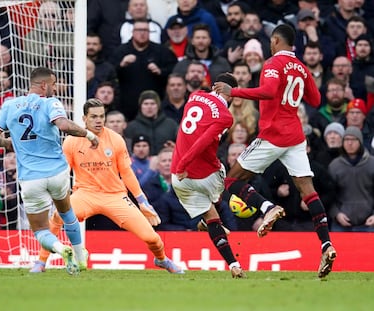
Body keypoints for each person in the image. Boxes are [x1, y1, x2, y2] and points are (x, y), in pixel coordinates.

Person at [213, 24, 336, 278]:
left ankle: (267, 207)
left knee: (231, 180)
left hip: (273, 135)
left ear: (276, 40)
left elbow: (268, 92)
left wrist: (234, 91)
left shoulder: (272, 64)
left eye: (271, 41)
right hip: (295, 136)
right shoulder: (301, 67)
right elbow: (315, 101)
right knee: (308, 192)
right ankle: (326, 244)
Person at [31, 98, 184, 274]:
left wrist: (142, 200)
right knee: (58, 216)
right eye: (94, 117)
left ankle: (161, 259)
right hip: (85, 194)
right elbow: (64, 172)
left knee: (152, 238)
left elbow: (126, 172)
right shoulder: (72, 142)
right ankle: (41, 262)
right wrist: (57, 196)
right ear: (84, 119)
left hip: (115, 196)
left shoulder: (116, 139)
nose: (98, 120)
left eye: (101, 116)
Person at [0, 67, 99, 275]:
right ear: (44, 85)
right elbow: (64, 125)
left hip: (30, 178)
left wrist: (11, 144)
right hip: (57, 172)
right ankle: (79, 255)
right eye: (54, 84)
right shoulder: (50, 103)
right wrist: (89, 135)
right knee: (66, 212)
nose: (55, 89)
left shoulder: (9, 105)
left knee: (40, 229)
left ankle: (58, 248)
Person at [171, 72, 246, 279]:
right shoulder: (225, 116)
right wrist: (186, 163)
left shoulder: (194, 96)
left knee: (212, 218)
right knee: (229, 178)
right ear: (230, 95)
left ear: (214, 86)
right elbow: (202, 141)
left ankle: (234, 265)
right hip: (201, 172)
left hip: (177, 177)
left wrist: (180, 165)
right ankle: (265, 206)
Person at [328, 126, 374, 232]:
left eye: (353, 139)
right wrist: (336, 214)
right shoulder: (334, 165)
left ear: (360, 142)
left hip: (369, 223)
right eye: (346, 139)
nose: (349, 143)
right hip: (341, 223)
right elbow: (329, 195)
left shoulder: (372, 163)